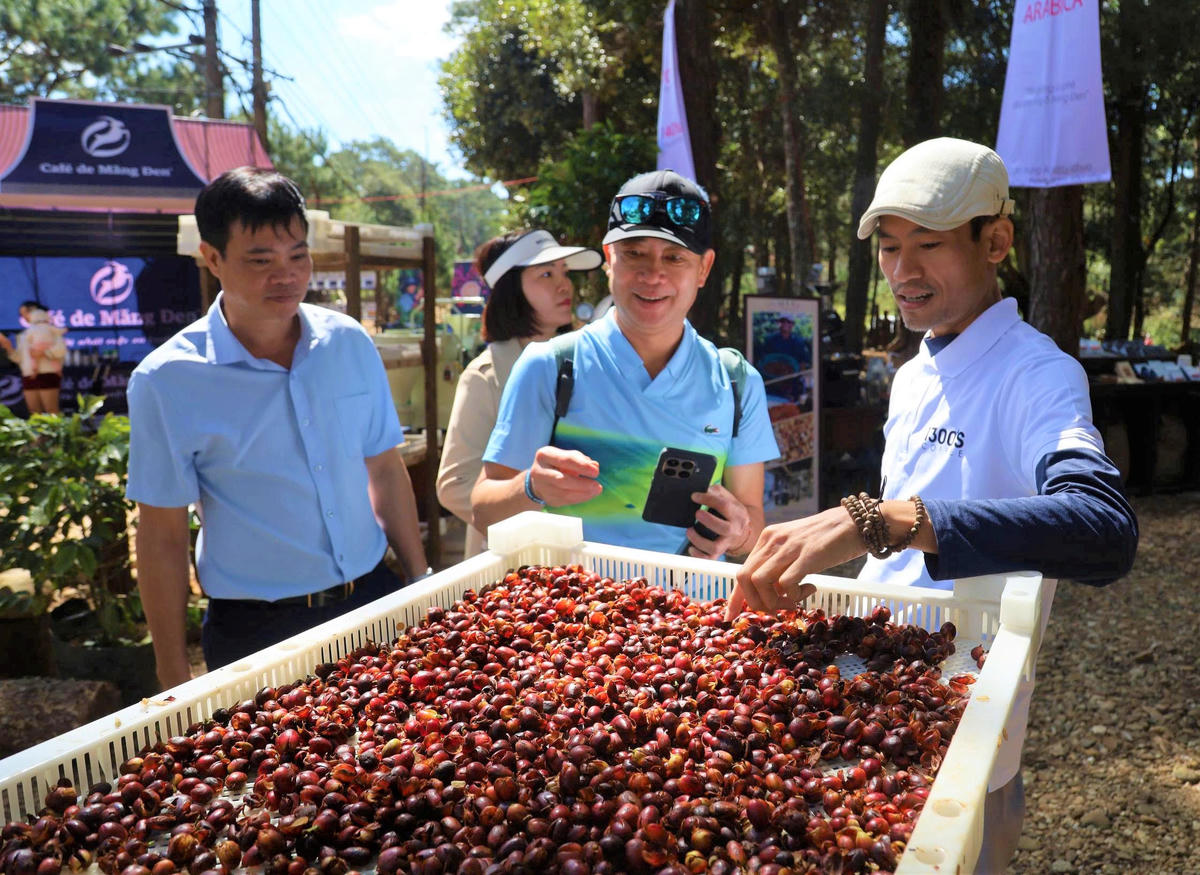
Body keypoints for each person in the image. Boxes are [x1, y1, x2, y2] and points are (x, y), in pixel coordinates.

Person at [727, 138, 1138, 873]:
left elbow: (1102, 527)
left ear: (997, 240)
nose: (902, 271)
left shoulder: (1039, 375)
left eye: (929, 244)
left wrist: (886, 517)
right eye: (889, 248)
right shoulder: (916, 371)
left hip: (966, 704)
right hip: (870, 673)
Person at [126, 167, 428, 690]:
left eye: (298, 256)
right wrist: (172, 670)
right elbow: (162, 535)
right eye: (260, 260)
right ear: (212, 257)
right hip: (258, 630)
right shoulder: (167, 381)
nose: (286, 276)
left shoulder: (348, 342)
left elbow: (383, 466)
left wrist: (421, 582)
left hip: (375, 601)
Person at [471, 169, 780, 558]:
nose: (653, 274)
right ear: (608, 258)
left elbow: (753, 526)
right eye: (634, 253)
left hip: (692, 611)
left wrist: (739, 531)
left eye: (675, 257)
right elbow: (483, 511)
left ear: (703, 269)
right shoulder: (548, 367)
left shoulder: (736, 382)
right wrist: (531, 487)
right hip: (573, 612)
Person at [437, 229, 602, 557]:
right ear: (512, 291)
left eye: (564, 273)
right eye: (545, 274)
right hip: (516, 563)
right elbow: (454, 485)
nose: (563, 284)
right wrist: (527, 505)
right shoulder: (485, 376)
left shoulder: (586, 360)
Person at [10, 301, 67, 414]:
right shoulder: (24, 335)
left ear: (34, 310)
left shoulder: (52, 331)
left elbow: (61, 350)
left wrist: (44, 353)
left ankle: (56, 432)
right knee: (34, 412)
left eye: (24, 313)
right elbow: (19, 359)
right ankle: (39, 432)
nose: (24, 317)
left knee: (51, 411)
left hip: (48, 374)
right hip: (29, 376)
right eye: (21, 315)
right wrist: (8, 347)